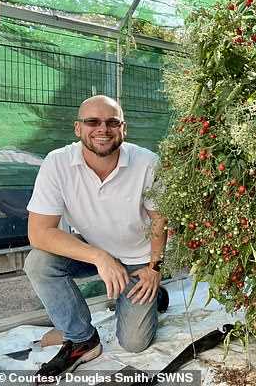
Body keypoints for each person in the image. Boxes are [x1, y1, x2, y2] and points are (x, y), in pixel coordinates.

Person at [24, 95, 168, 379]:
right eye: (92, 121)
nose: (103, 129)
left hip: (136, 260)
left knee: (135, 344)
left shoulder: (147, 162)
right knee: (39, 263)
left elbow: (160, 220)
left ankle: (155, 296)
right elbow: (38, 232)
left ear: (123, 129)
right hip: (89, 251)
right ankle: (81, 338)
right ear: (78, 128)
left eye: (112, 122)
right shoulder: (57, 162)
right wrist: (99, 256)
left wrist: (155, 269)